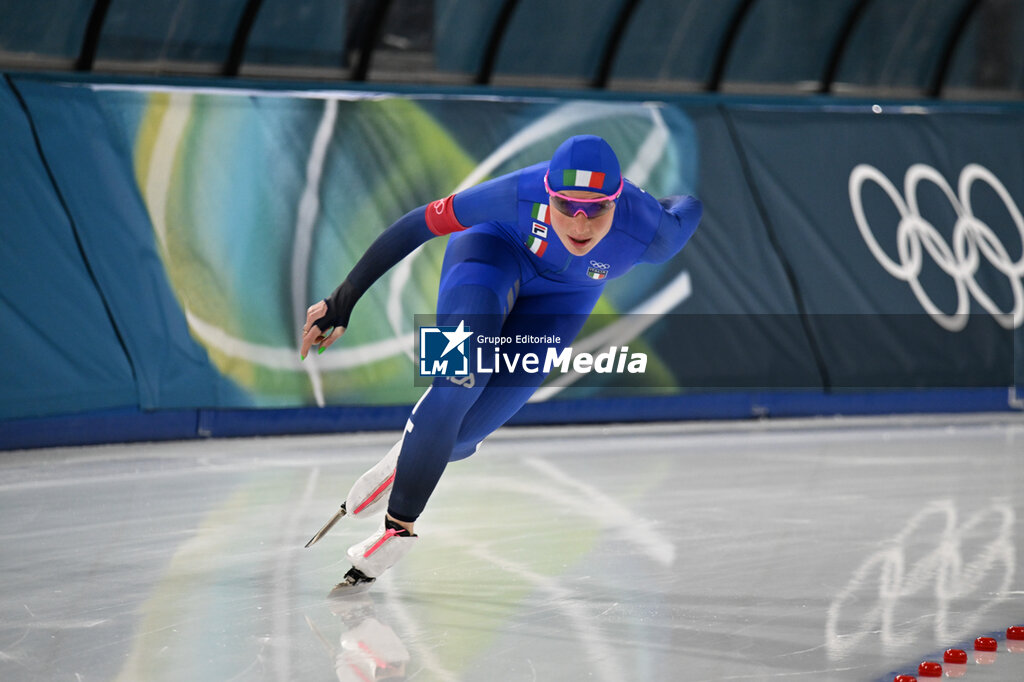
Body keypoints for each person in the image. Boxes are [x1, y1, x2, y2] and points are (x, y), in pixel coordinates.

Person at [300, 134, 702, 592]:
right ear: (549, 193)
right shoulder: (517, 190)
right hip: (485, 258)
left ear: (618, 200)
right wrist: (342, 300)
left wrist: (645, 198)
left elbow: (689, 205)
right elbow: (418, 224)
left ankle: (407, 458)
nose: (581, 223)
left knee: (465, 435)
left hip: (564, 300)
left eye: (598, 209)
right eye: (567, 206)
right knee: (457, 378)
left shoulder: (653, 231)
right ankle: (397, 529)